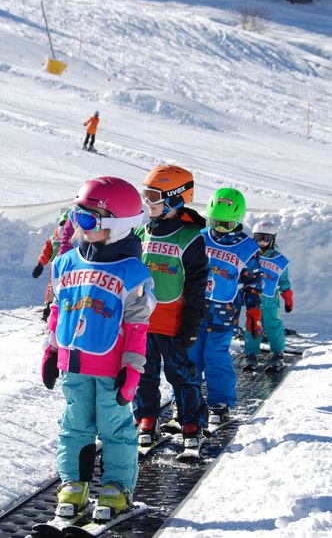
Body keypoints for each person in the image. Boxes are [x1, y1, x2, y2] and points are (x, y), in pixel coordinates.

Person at [41, 176, 156, 520]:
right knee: (73, 425)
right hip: (73, 363)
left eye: (89, 219)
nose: (80, 226)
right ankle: (74, 484)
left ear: (117, 226)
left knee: (115, 428)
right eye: (77, 217)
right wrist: (50, 350)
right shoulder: (65, 263)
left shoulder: (131, 272)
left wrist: (132, 369)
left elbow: (138, 328)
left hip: (112, 368)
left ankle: (116, 486)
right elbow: (59, 310)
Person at [133, 164, 209, 453]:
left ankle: (191, 422)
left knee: (181, 375)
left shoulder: (189, 238)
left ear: (176, 198)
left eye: (154, 196)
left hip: (173, 324)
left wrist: (191, 325)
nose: (147, 202)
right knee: (143, 374)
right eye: (146, 195)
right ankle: (147, 418)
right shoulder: (140, 232)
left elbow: (197, 286)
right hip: (141, 322)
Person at [187, 187, 262, 427]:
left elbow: (253, 283)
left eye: (225, 225)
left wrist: (254, 311)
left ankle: (220, 402)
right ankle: (188, 396)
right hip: (194, 309)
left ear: (238, 221)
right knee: (191, 355)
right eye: (215, 222)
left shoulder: (247, 248)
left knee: (216, 356)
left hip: (225, 313)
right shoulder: (199, 236)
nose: (218, 229)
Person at [243, 220, 293, 372]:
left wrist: (287, 296)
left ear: (273, 239)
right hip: (253, 299)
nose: (262, 242)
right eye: (259, 238)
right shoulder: (249, 256)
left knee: (274, 325)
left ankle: (278, 353)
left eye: (266, 238)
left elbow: (283, 280)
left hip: (271, 300)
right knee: (252, 325)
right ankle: (251, 354)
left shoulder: (278, 259)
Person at [31, 209, 70, 321]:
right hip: (71, 265)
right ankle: (63, 309)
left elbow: (46, 252)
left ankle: (49, 309)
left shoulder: (53, 237)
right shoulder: (76, 235)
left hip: (56, 265)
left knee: (53, 286)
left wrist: (40, 264)